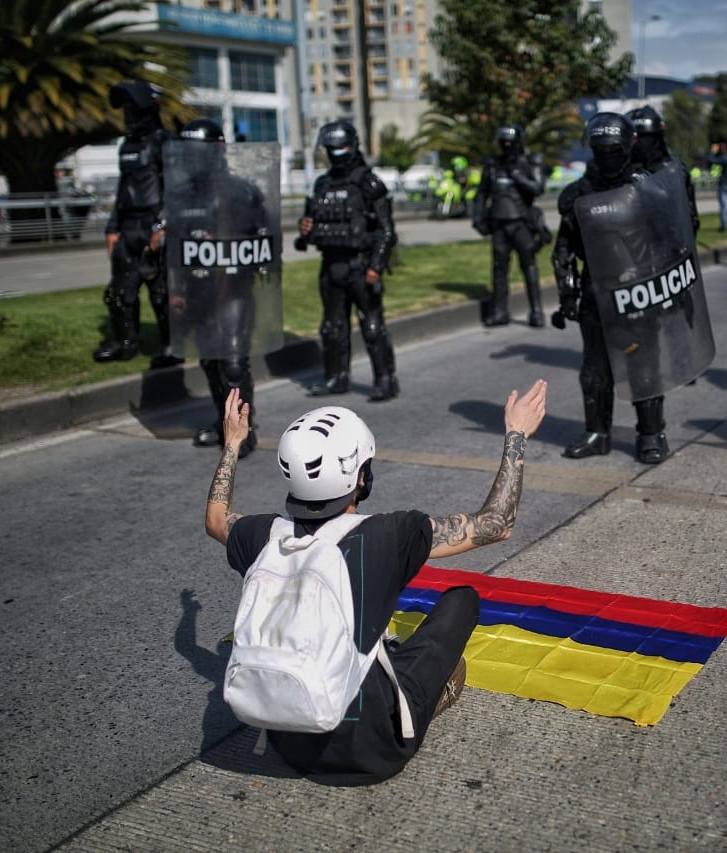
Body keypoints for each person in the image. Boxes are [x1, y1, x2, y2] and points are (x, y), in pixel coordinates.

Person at [203, 378, 547, 785]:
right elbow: (495, 524)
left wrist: (232, 444)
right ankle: (427, 700)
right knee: (462, 601)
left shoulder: (263, 535)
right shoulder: (388, 533)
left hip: (289, 747)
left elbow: (215, 519)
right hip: (376, 751)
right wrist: (516, 435)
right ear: (361, 477)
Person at [553, 112, 696, 465]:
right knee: (594, 370)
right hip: (595, 291)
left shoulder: (646, 188)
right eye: (600, 149)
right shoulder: (577, 194)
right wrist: (567, 290)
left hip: (638, 289)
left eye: (612, 148)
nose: (606, 155)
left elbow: (672, 239)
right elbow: (564, 247)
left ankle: (651, 434)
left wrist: (671, 286)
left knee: (642, 364)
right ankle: (597, 433)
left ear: (627, 145)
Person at [163, 118, 272, 458]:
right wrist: (177, 290)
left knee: (233, 364)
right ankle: (222, 422)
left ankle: (244, 432)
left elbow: (266, 240)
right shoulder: (180, 196)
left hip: (233, 290)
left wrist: (231, 244)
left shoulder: (242, 191)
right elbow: (177, 251)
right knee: (210, 361)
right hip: (198, 291)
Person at [297, 120, 399, 402]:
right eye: (330, 148)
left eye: (339, 147)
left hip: (360, 265)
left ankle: (385, 380)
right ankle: (336, 377)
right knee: (332, 327)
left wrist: (376, 267)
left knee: (372, 325)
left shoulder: (369, 183)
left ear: (352, 146)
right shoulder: (322, 184)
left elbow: (386, 231)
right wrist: (305, 230)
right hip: (331, 264)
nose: (335, 153)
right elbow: (309, 230)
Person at [95, 79, 178, 367]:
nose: (127, 116)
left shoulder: (166, 143)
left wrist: (163, 225)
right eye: (125, 109)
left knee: (161, 293)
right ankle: (125, 343)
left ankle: (171, 346)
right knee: (119, 292)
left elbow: (176, 188)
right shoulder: (127, 148)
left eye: (133, 109)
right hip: (129, 226)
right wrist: (112, 228)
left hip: (154, 224)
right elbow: (123, 190)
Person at [473, 124, 548, 327]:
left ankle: (537, 311)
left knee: (529, 266)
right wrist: (477, 217)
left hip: (522, 223)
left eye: (510, 142)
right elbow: (482, 193)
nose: (507, 146)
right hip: (499, 224)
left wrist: (517, 177)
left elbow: (537, 188)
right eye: (503, 142)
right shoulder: (493, 166)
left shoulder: (530, 162)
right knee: (499, 269)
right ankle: (500, 311)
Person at [627, 105, 700, 235]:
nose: (643, 143)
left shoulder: (675, 171)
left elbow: (690, 216)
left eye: (648, 137)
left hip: (669, 241)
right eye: (638, 139)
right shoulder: (623, 170)